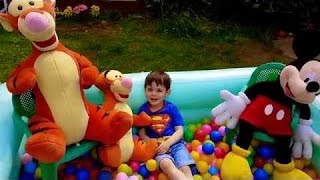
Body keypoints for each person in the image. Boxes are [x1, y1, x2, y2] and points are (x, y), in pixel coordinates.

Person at [138, 70, 195, 180]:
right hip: (158, 148)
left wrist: (168, 143)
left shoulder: (171, 108)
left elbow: (179, 130)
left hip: (176, 144)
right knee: (166, 165)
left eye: (159, 90)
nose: (153, 93)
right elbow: (142, 133)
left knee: (185, 167)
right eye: (150, 89)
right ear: (145, 91)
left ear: (167, 93)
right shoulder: (143, 110)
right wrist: (153, 144)